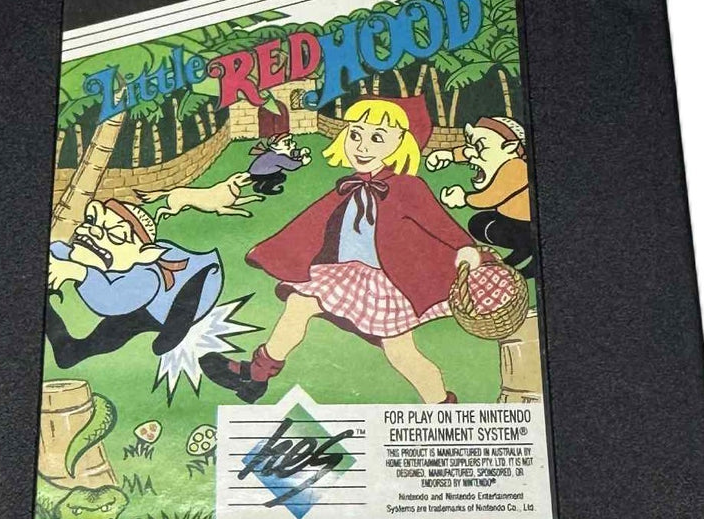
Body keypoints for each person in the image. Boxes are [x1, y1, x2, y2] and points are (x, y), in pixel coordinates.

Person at [201, 97, 493, 403]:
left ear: (400, 143)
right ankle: (256, 376)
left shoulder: (408, 186)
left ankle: (443, 407)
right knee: (299, 305)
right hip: (346, 274)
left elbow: (441, 224)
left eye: (377, 138)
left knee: (400, 352)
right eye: (356, 134)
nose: (362, 146)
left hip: (385, 285)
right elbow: (312, 223)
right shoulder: (350, 184)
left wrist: (468, 249)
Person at [46, 198, 222, 365]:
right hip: (156, 280)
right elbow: (76, 253)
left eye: (115, 235)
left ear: (145, 254)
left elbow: (111, 301)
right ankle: (69, 352)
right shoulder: (121, 258)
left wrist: (78, 272)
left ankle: (71, 353)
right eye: (92, 220)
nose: (93, 231)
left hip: (176, 302)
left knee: (122, 326)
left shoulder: (147, 278)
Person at [428, 116, 535, 277]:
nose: (470, 153)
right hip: (507, 218)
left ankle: (526, 256)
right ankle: (522, 250)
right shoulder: (501, 158)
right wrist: (449, 155)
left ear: (509, 147)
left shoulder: (517, 167)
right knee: (478, 223)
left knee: (499, 230)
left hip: (525, 224)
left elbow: (491, 197)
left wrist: (464, 198)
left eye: (479, 146)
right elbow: (470, 152)